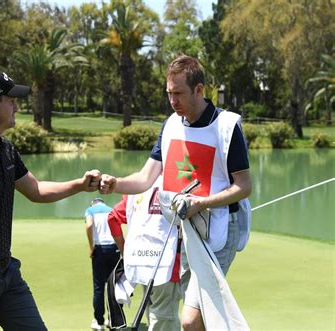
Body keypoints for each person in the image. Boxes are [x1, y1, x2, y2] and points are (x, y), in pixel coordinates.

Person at [0, 69, 101, 331]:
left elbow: (35, 190)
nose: (16, 105)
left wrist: (80, 185)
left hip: (7, 274)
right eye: (11, 100)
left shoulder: (6, 150)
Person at [99, 54, 252, 331]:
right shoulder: (170, 125)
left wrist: (201, 203)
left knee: (191, 320)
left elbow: (244, 186)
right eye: (169, 94)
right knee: (198, 318)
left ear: (199, 90)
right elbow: (146, 178)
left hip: (218, 232)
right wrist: (117, 183)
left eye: (178, 93)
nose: (172, 101)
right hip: (183, 231)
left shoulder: (227, 127)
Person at [107, 176, 182, 331]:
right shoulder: (178, 183)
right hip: (168, 265)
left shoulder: (137, 186)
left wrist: (125, 252)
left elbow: (113, 218)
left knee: (152, 310)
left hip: (141, 261)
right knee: (163, 317)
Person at [85, 197, 120, 330]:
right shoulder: (111, 210)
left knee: (99, 287)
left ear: (93, 203)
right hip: (114, 249)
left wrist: (90, 246)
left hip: (99, 249)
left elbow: (88, 225)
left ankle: (99, 322)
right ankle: (114, 321)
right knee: (113, 286)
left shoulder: (90, 210)